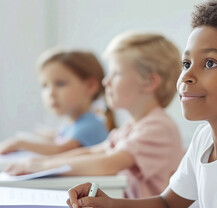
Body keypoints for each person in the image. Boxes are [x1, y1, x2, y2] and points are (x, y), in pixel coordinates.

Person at [67, 0, 217, 208]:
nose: (187, 76)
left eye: (209, 63)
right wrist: (111, 204)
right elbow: (166, 203)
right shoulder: (204, 138)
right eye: (186, 63)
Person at [5, 32, 184, 199]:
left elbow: (106, 163)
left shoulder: (158, 127)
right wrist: (42, 161)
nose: (106, 81)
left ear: (149, 82)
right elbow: (92, 151)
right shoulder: (133, 126)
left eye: (116, 73)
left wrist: (42, 166)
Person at [0, 49, 110, 155]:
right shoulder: (71, 125)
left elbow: (60, 151)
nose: (50, 93)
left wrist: (19, 143)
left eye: (60, 84)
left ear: (90, 86)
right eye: (44, 86)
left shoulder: (91, 125)